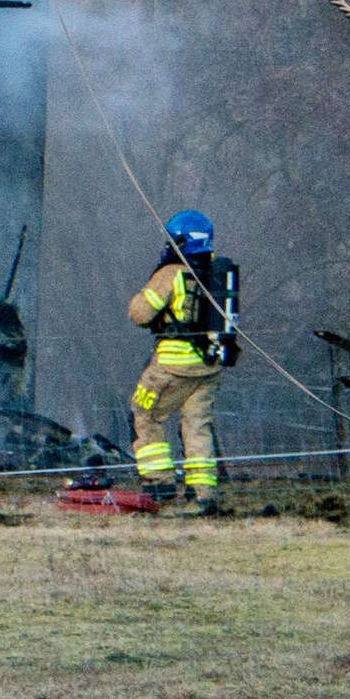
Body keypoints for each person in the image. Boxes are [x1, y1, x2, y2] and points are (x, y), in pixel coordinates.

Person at [127, 207, 238, 506]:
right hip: (209, 367)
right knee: (197, 426)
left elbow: (140, 313)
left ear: (181, 242)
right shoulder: (217, 273)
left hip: (171, 368)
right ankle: (203, 493)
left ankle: (159, 482)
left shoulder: (171, 274)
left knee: (144, 412)